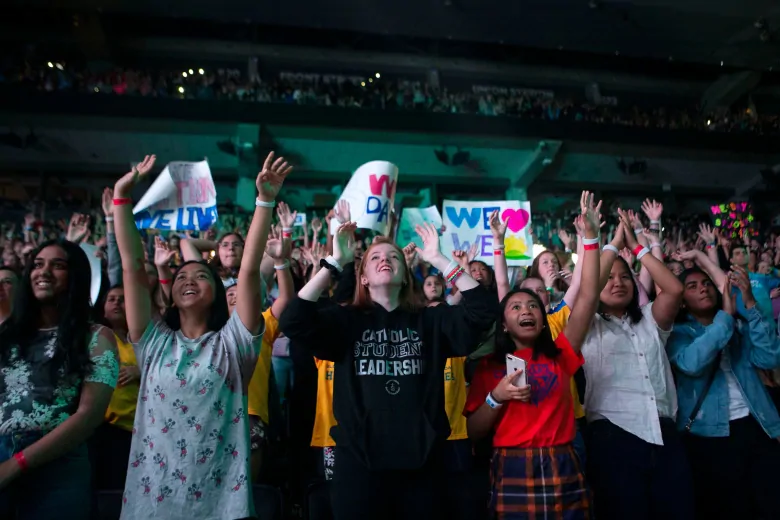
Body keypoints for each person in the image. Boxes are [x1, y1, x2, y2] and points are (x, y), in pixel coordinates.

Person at [114, 152, 289, 519]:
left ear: (218, 292)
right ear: (171, 295)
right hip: (153, 502)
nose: (189, 280)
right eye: (180, 277)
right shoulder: (152, 341)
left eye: (201, 276)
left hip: (220, 503)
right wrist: (121, 199)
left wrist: (264, 201)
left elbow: (247, 272)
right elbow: (131, 266)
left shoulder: (234, 344)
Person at [279, 223, 496, 520]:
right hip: (357, 467)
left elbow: (483, 310)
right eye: (375, 257)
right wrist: (333, 263)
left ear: (405, 277)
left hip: (424, 466)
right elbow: (293, 320)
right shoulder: (345, 322)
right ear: (364, 278)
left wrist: (439, 258)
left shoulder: (430, 322)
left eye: (393, 257)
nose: (385, 260)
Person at [464, 197, 601, 519]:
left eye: (533, 306)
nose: (526, 310)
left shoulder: (562, 354)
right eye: (515, 307)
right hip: (512, 463)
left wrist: (591, 239)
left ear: (543, 318)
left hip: (562, 459)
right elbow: (473, 431)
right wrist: (496, 397)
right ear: (503, 323)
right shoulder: (490, 367)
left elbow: (590, 295)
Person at [582, 211, 693, 520]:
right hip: (613, 434)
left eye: (625, 276)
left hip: (664, 431)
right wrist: (613, 246)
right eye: (610, 277)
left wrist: (638, 247)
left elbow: (674, 289)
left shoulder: (650, 320)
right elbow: (588, 292)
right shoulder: (586, 324)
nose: (618, 282)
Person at [0, 240, 119, 518]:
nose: (44, 271)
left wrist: (16, 464)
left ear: (75, 276)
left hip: (59, 466)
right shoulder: (7, 336)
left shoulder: (97, 337)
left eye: (58, 265)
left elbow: (89, 416)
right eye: (38, 264)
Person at [668, 267, 780, 520]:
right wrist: (725, 319)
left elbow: (769, 357)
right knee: (729, 507)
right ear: (682, 301)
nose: (703, 288)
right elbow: (692, 364)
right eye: (693, 286)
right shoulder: (678, 334)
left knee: (769, 503)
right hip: (709, 434)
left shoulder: (739, 326)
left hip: (756, 423)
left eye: (706, 283)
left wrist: (749, 303)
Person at [90, 284, 141, 491]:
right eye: (111, 299)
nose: (117, 303)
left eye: (123, 298)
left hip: (140, 429)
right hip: (106, 429)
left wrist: (141, 371)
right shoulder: (94, 338)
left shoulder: (144, 341)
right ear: (103, 308)